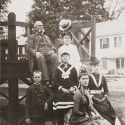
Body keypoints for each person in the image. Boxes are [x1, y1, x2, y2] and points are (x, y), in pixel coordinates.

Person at [88, 57, 121, 125]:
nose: (96, 67)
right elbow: (86, 90)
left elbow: (106, 90)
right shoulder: (88, 77)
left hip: (102, 98)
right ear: (91, 67)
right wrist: (93, 98)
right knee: (99, 112)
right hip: (92, 98)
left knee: (108, 111)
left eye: (97, 66)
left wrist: (105, 97)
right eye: (94, 66)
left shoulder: (102, 77)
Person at [26, 21, 59, 86]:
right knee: (40, 57)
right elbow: (29, 48)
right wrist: (36, 52)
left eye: (42, 25)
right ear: (35, 28)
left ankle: (53, 79)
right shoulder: (31, 37)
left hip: (48, 55)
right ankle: (46, 79)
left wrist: (52, 50)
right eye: (39, 25)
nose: (41, 27)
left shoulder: (46, 37)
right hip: (39, 55)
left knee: (55, 56)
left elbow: (52, 45)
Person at [53, 51, 79, 125]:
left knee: (74, 104)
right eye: (63, 56)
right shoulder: (58, 69)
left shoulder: (73, 68)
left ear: (69, 58)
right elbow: (55, 82)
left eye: (67, 56)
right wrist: (62, 89)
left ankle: (71, 121)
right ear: (61, 58)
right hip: (62, 91)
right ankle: (60, 121)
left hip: (71, 91)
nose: (65, 57)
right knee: (59, 102)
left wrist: (73, 88)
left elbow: (77, 81)